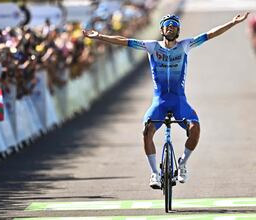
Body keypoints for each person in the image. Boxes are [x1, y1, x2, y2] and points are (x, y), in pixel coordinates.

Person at [83, 12, 250, 189]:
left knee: (195, 129)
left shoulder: (185, 45)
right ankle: (155, 173)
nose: (170, 28)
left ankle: (183, 163)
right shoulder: (152, 47)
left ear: (178, 30)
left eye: (174, 26)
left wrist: (232, 22)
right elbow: (125, 41)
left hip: (179, 102)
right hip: (159, 102)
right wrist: (100, 36)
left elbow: (210, 34)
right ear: (162, 29)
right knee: (147, 131)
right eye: (167, 25)